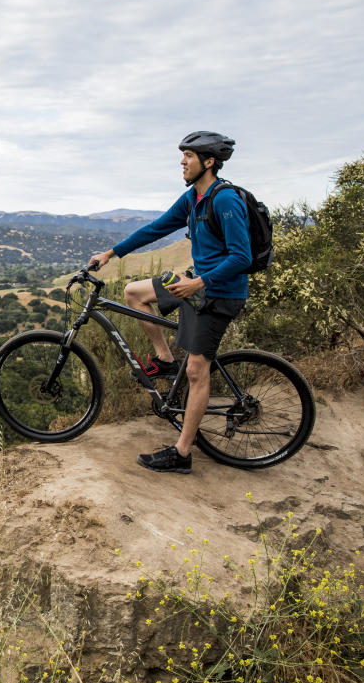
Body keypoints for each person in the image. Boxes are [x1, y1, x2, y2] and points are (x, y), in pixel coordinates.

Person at [88, 131, 251, 474]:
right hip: (196, 282)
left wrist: (198, 284)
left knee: (196, 370)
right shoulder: (192, 198)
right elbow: (156, 228)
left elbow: (242, 256)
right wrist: (111, 253)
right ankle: (164, 360)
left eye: (189, 156)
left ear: (209, 162)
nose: (182, 162)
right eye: (183, 156)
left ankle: (182, 453)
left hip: (219, 293)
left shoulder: (225, 200)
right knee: (134, 293)